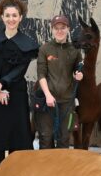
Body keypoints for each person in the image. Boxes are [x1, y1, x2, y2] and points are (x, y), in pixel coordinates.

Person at [0, 0, 39, 164]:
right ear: (2, 17)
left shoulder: (28, 44)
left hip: (16, 92)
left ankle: (14, 166)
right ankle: (0, 166)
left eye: (15, 15)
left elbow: (20, 69)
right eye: (8, 15)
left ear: (20, 17)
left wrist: (2, 84)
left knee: (17, 131)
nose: (11, 19)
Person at [35, 15, 84, 149]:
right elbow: (41, 74)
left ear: (68, 29)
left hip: (68, 102)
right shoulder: (45, 49)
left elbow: (78, 70)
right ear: (52, 30)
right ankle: (46, 169)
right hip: (48, 101)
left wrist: (79, 75)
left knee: (64, 138)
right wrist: (48, 95)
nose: (60, 31)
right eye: (56, 28)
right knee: (46, 137)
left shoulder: (74, 50)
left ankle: (61, 170)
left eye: (63, 28)